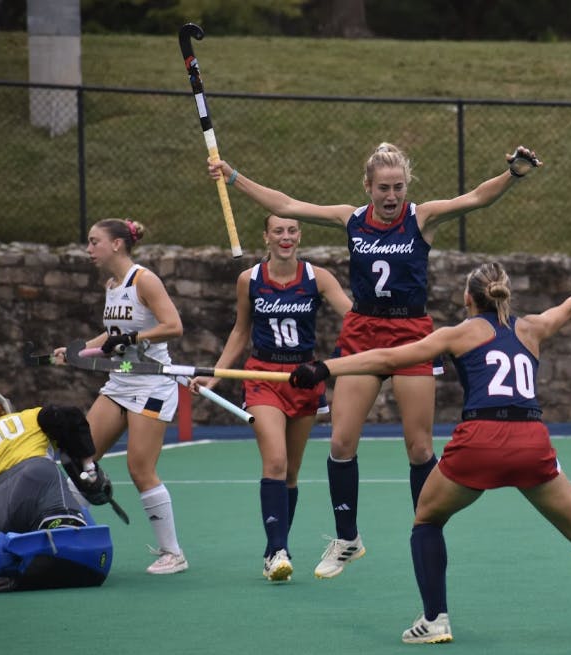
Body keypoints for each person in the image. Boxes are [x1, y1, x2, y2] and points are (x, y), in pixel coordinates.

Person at [289, 263, 571, 643]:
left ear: (468, 298)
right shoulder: (533, 328)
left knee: (427, 519)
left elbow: (389, 357)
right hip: (530, 440)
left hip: (479, 440)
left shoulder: (458, 334)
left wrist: (325, 368)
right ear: (505, 296)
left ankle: (434, 620)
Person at [209, 142, 542, 579]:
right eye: (383, 188)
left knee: (420, 446)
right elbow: (287, 203)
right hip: (363, 332)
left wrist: (513, 175)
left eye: (398, 187)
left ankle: (427, 527)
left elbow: (476, 198)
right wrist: (234, 178)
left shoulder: (421, 217)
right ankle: (347, 538)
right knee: (341, 443)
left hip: (411, 335)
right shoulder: (350, 219)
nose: (391, 196)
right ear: (368, 186)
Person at [190, 214, 352, 582]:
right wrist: (215, 377)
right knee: (275, 461)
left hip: (305, 378)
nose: (286, 237)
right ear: (265, 236)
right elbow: (239, 331)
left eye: (292, 230)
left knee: (291, 472)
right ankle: (277, 551)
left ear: (300, 235)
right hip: (262, 378)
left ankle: (275, 545)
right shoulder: (249, 280)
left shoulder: (317, 278)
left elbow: (354, 317)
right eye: (278, 231)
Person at [53, 218, 189, 574]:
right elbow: (112, 333)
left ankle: (173, 553)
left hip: (152, 384)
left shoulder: (144, 279)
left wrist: (133, 339)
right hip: (120, 382)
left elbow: (173, 326)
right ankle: (68, 538)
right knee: (79, 459)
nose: (88, 249)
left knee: (139, 468)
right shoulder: (112, 285)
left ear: (116, 244)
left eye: (94, 241)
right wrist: (76, 351)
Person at [0, 386, 115, 593]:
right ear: (4, 406)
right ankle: (61, 525)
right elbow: (71, 417)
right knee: (68, 521)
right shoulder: (29, 416)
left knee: (36, 541)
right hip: (35, 479)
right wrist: (89, 468)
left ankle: (8, 561)